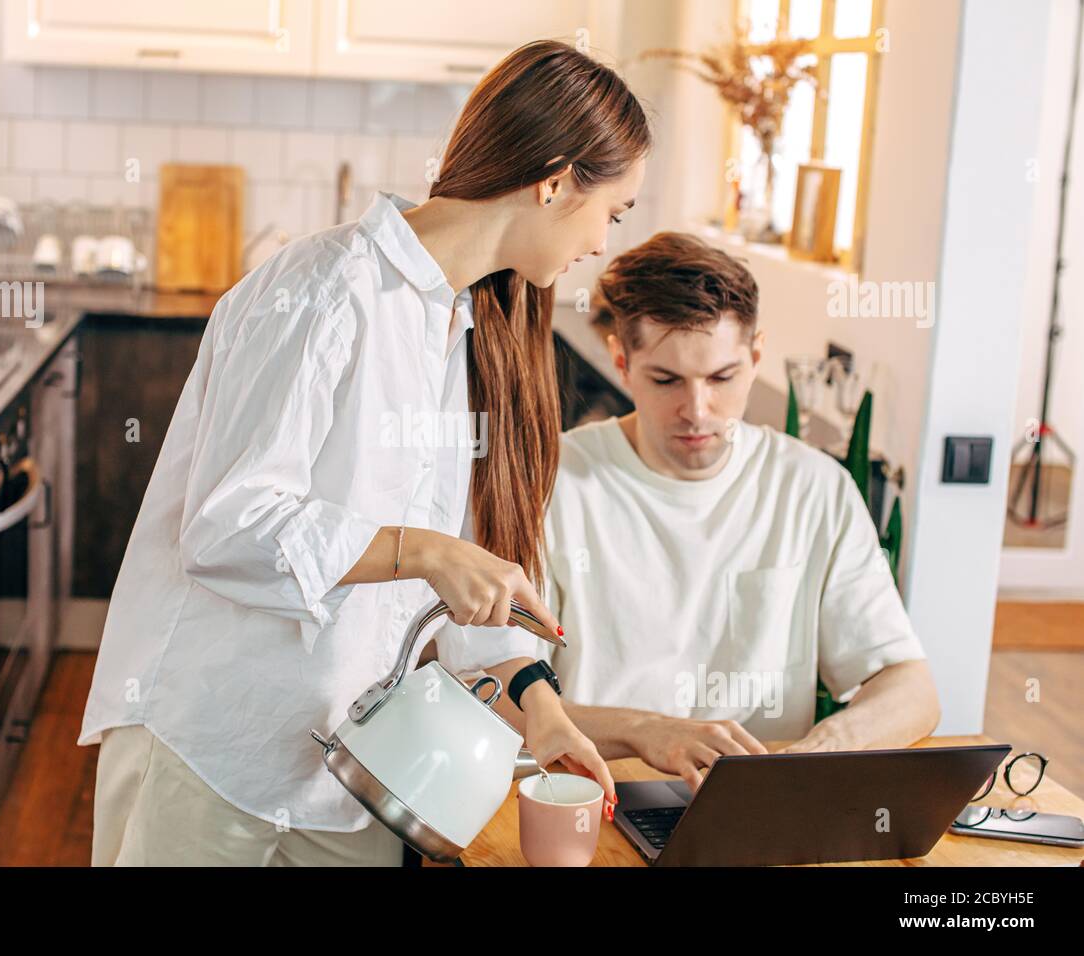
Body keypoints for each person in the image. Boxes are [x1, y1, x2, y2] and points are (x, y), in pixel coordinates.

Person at [78, 39, 652, 865]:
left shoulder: (469, 332)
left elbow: (465, 584)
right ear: (555, 181)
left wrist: (540, 704)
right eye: (615, 210)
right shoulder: (319, 291)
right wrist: (421, 551)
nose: (603, 242)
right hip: (212, 754)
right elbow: (227, 528)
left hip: (354, 771)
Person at [452, 231, 941, 791]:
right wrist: (647, 732)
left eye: (722, 377)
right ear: (621, 361)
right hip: (590, 798)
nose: (697, 410)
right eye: (666, 380)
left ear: (756, 357)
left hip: (754, 805)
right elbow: (493, 686)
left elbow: (911, 689)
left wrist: (815, 753)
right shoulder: (552, 483)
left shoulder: (815, 488)